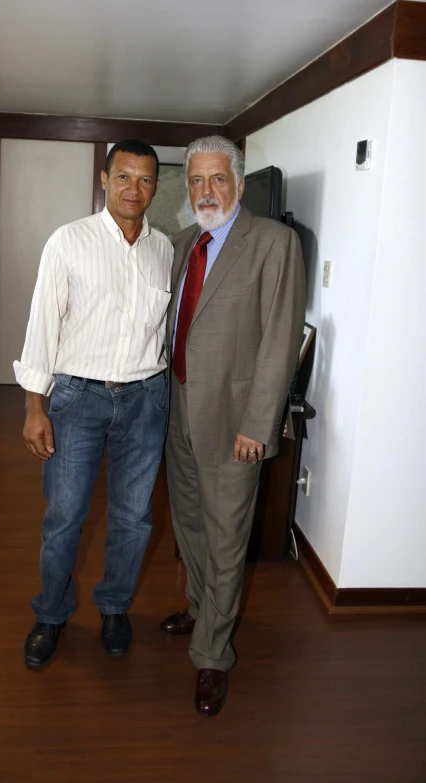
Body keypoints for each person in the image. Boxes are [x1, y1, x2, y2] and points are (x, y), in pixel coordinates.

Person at [161, 136, 305, 715]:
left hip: (233, 423)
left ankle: (213, 655)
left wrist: (258, 424)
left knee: (226, 538)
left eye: (218, 179)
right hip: (177, 409)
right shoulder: (180, 244)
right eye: (197, 181)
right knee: (190, 523)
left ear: (240, 184)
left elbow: (280, 341)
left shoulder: (274, 243)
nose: (206, 191)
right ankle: (201, 605)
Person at [14, 139, 173, 667]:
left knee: (134, 517)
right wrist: (35, 406)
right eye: (124, 177)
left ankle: (114, 608)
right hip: (77, 398)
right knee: (64, 517)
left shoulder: (163, 249)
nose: (135, 189)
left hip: (145, 398)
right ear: (105, 180)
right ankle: (51, 614)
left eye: (146, 179)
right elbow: (42, 326)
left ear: (156, 186)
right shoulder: (69, 242)